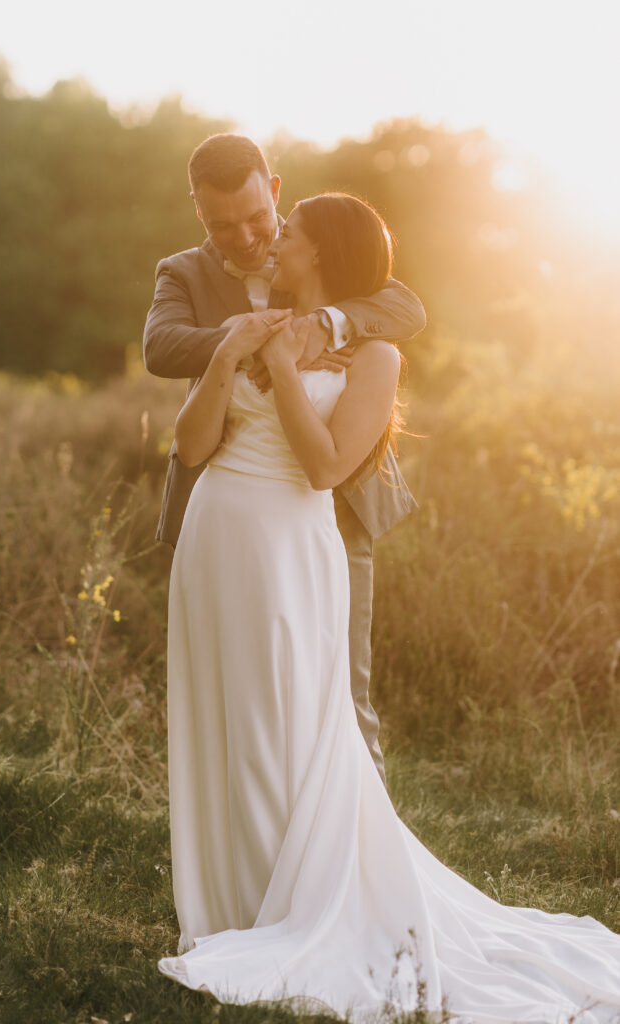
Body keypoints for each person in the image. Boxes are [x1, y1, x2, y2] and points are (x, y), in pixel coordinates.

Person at [156, 193, 620, 1022]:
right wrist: (227, 358)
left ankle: (291, 908)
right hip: (215, 537)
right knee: (221, 715)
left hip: (291, 548)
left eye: (287, 233)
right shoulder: (251, 318)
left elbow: (326, 467)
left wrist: (291, 368)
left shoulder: (374, 356)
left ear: (321, 255)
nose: (272, 241)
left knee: (285, 721)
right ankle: (231, 904)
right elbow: (193, 447)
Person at [143, 133, 425, 788]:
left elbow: (404, 307)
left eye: (255, 218)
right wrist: (250, 340)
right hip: (230, 507)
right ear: (197, 212)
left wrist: (323, 325)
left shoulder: (316, 239)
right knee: (240, 693)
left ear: (274, 191)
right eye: (222, 224)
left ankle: (359, 846)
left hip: (338, 501)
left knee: (341, 685)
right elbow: (160, 348)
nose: (244, 238)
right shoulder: (182, 273)